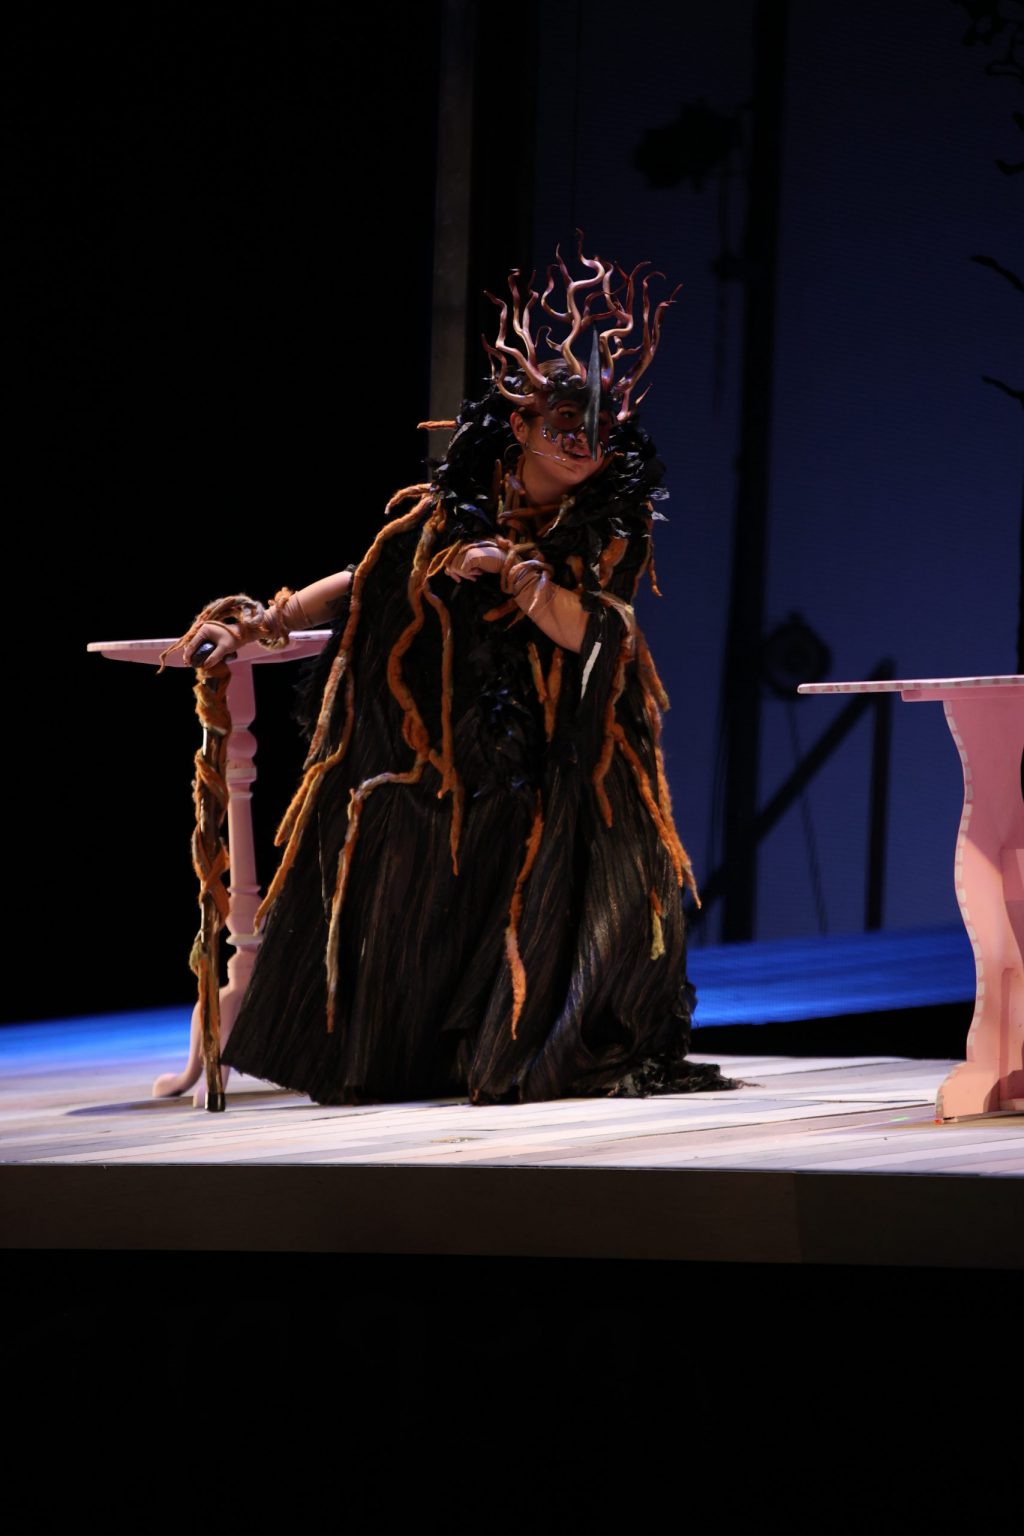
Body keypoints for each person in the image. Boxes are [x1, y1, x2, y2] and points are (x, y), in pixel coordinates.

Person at [171, 243, 734, 1105]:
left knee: (565, 846)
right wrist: (268, 619)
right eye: (561, 429)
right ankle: (394, 1044)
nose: (582, 448)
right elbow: (372, 579)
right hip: (461, 736)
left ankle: (525, 1026)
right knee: (392, 812)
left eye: (598, 433)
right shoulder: (456, 506)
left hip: (569, 753)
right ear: (519, 427)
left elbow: (597, 631)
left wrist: (520, 574)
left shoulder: (612, 522)